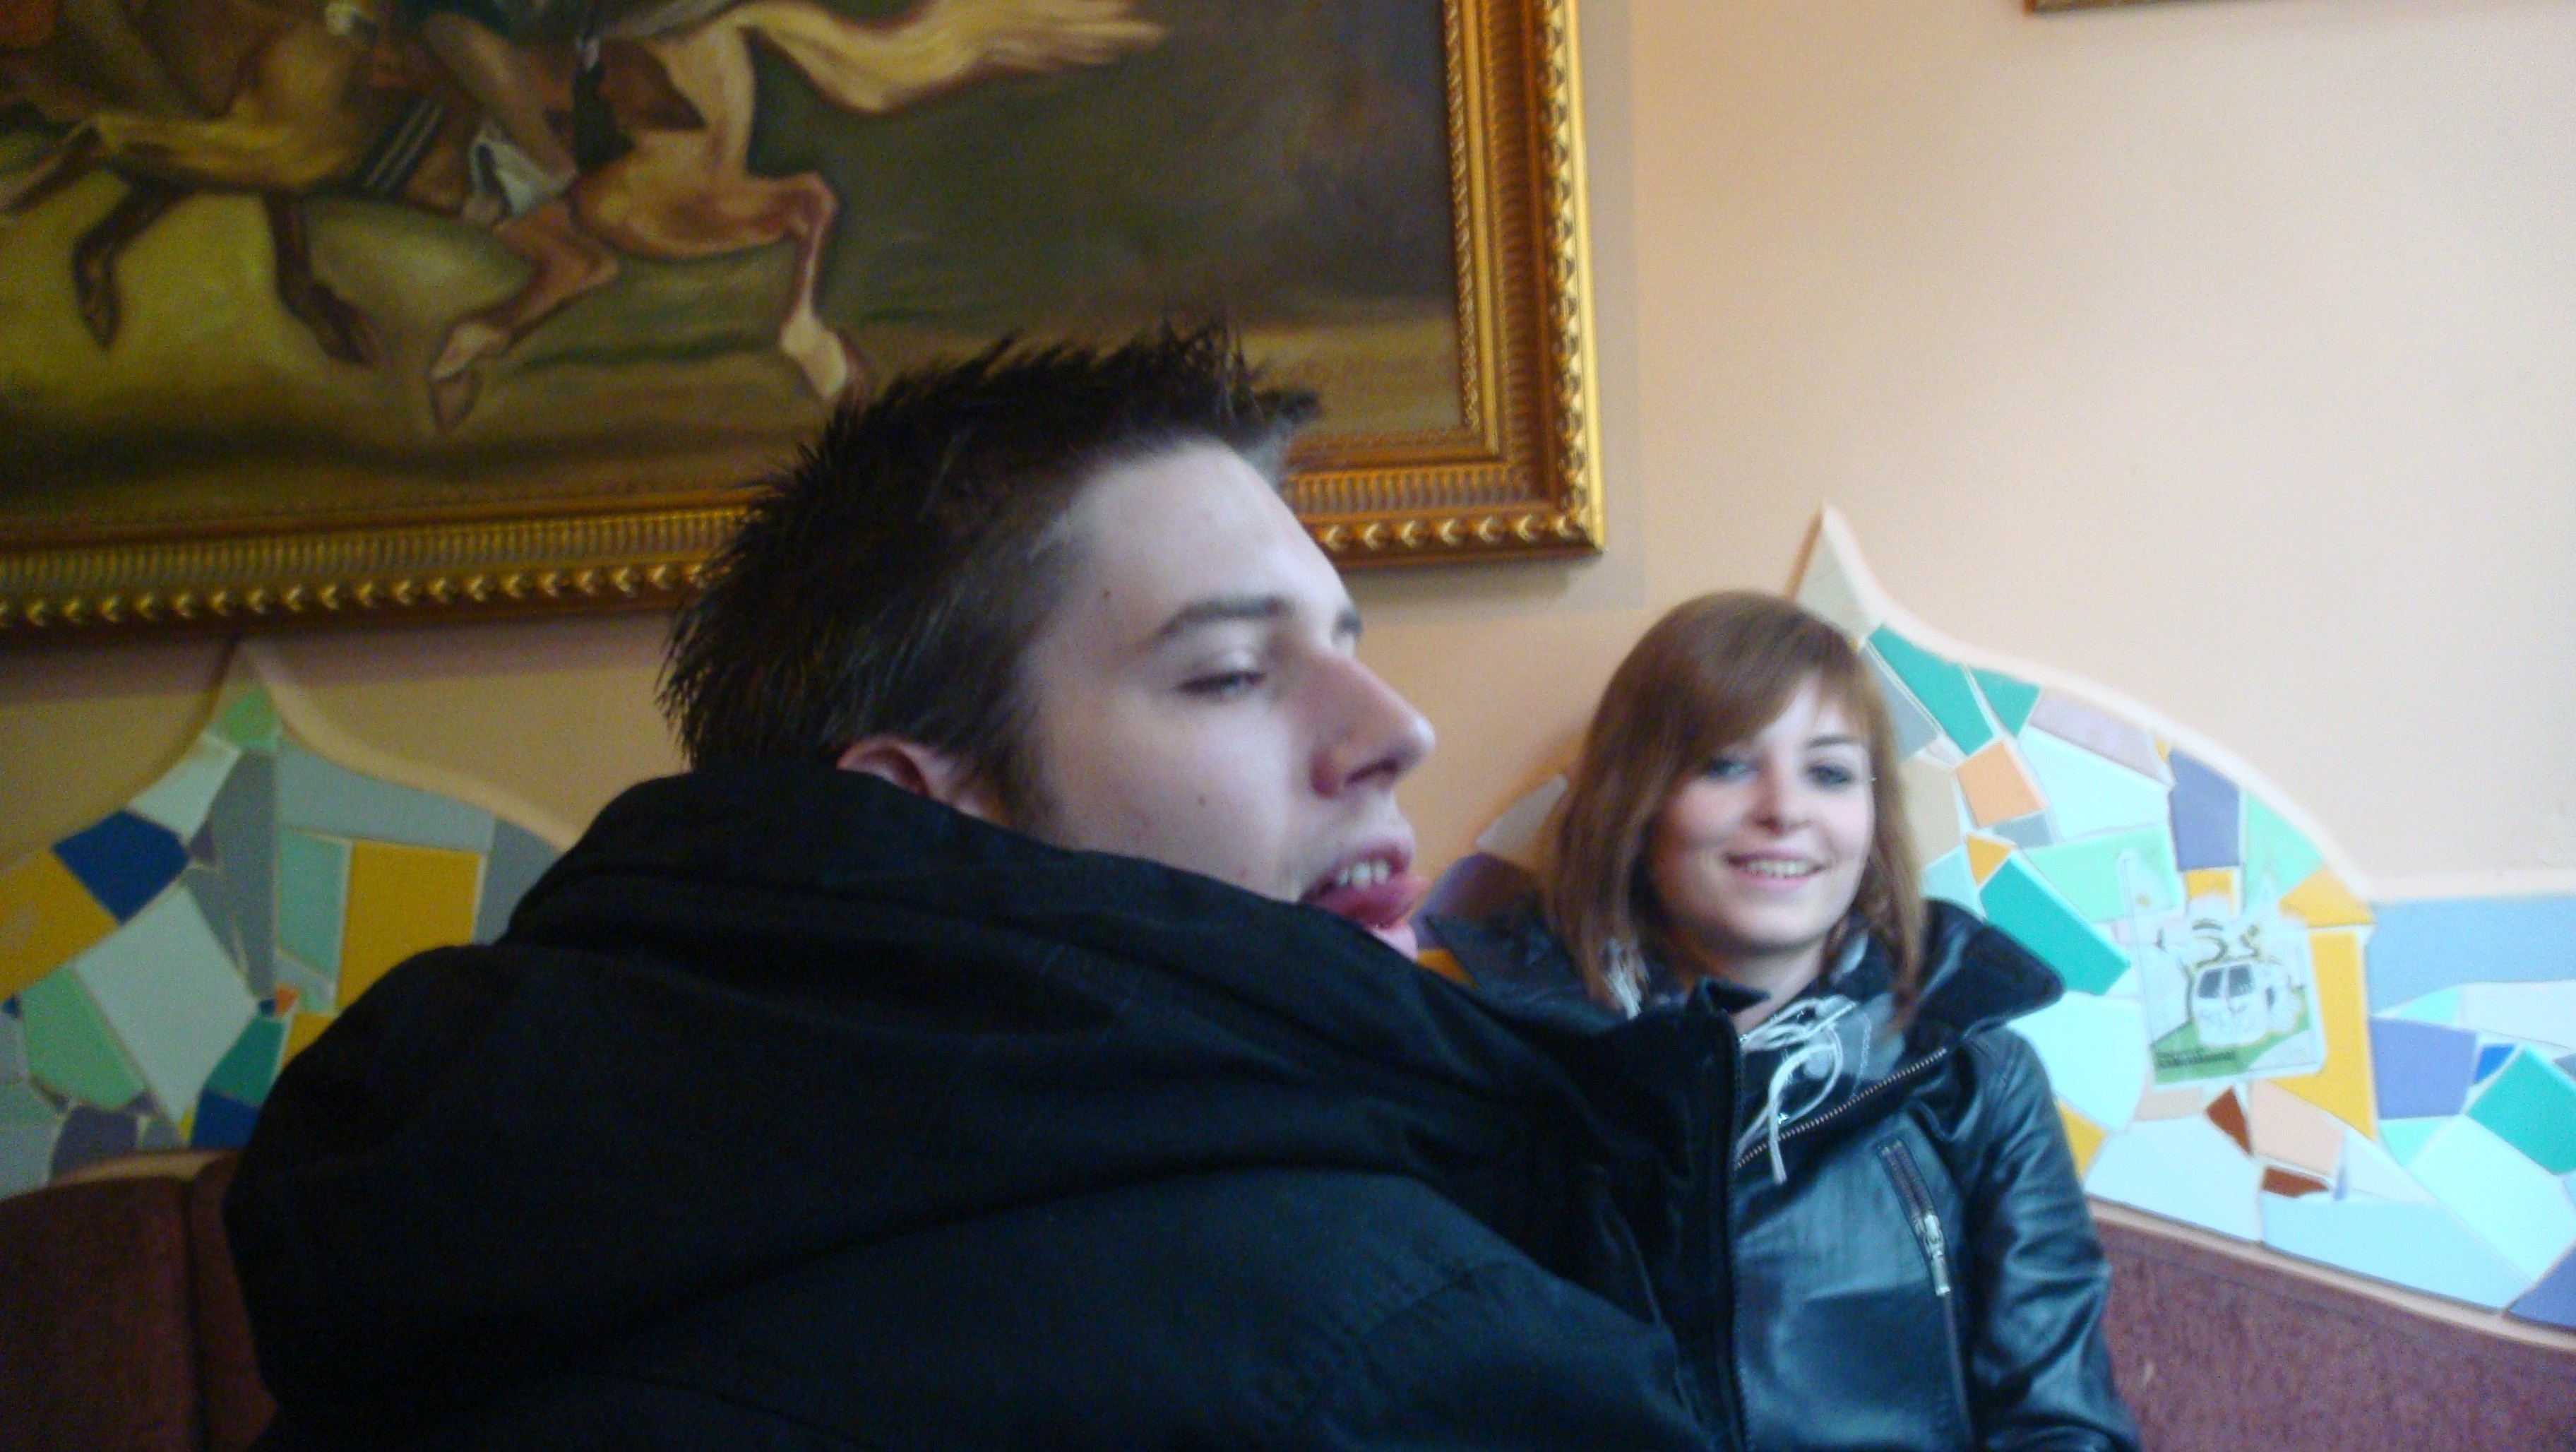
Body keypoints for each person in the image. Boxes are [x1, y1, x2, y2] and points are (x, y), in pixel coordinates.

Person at [225, 328, 1743, 1450]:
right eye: (1228, 671)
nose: (1396, 729)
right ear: (911, 812)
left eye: (1349, 644)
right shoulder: (1410, 1358)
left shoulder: (435, 1244)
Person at [1426, 592, 2141, 1452]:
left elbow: (2063, 1426)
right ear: (1635, 800)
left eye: (1830, 773)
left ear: (1871, 819)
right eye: (1726, 765)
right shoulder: (1496, 1057)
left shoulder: (1978, 1076)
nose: (1785, 809)